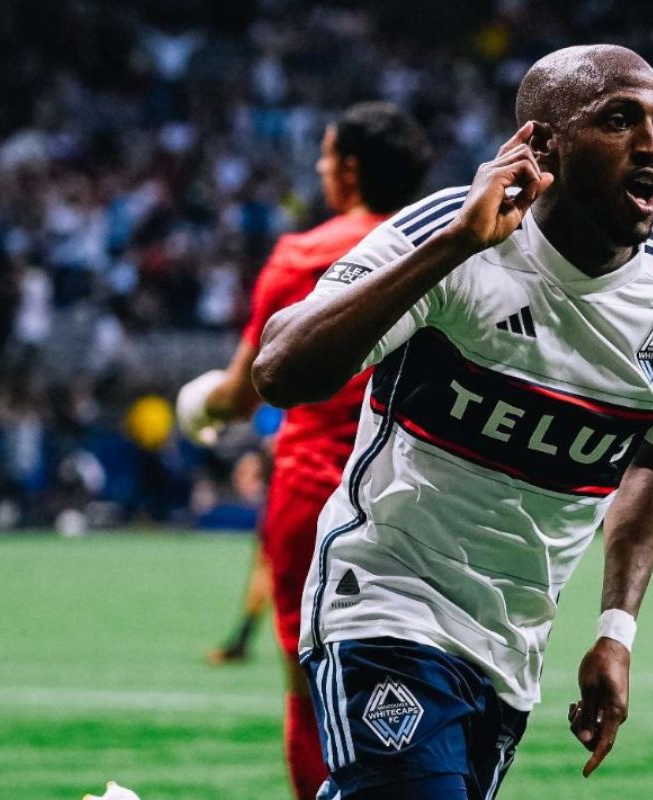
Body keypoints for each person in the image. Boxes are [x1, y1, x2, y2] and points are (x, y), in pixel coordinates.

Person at [253, 45, 653, 799]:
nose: (650, 147)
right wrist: (455, 248)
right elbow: (279, 369)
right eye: (619, 121)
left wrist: (616, 632)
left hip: (510, 644)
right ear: (542, 145)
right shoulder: (454, 232)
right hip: (384, 598)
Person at [176, 102, 431, 800]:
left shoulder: (305, 255)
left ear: (348, 170)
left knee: (310, 693)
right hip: (418, 500)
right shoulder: (444, 250)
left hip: (316, 494)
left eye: (324, 160)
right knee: (426, 692)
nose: (320, 172)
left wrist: (199, 405)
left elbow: (245, 389)